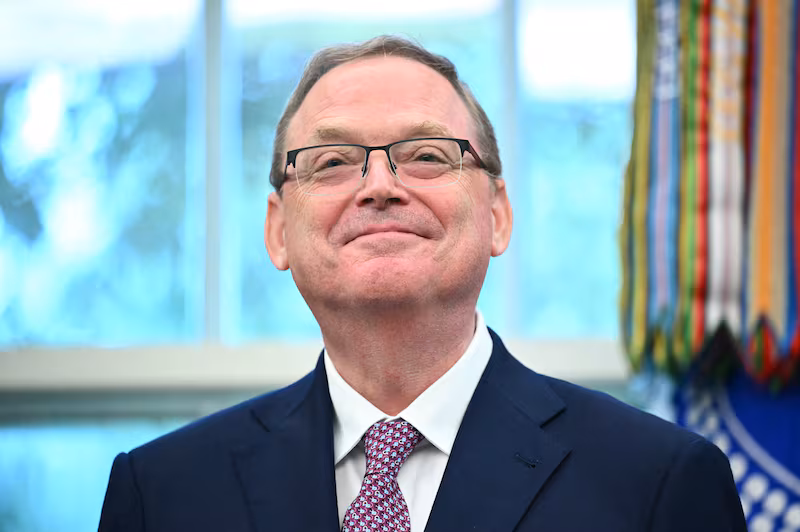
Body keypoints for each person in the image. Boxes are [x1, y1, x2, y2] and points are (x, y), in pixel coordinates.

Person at [99, 35, 747, 531]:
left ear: (497, 215)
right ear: (278, 232)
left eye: (428, 156)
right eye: (331, 162)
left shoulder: (657, 483)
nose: (380, 186)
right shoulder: (161, 494)